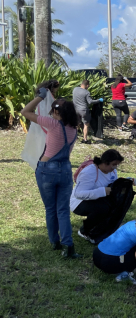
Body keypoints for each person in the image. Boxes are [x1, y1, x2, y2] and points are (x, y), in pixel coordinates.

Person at [21, 92, 81, 258]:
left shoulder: (53, 124)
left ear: (56, 112)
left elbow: (25, 112)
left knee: (50, 209)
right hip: (65, 170)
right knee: (63, 210)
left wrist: (40, 97)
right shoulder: (74, 129)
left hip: (47, 169)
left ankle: (54, 241)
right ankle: (68, 246)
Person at [71, 149, 135, 244]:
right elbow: (79, 194)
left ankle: (103, 230)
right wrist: (101, 191)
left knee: (114, 206)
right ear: (105, 163)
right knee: (102, 208)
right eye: (113, 164)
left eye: (117, 165)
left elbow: (113, 185)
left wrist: (127, 182)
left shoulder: (112, 172)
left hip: (98, 199)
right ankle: (84, 231)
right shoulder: (89, 172)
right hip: (78, 203)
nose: (115, 167)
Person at [73, 79, 103, 144]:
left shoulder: (75, 89)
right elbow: (90, 102)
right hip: (83, 110)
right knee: (86, 125)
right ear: (87, 85)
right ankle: (85, 139)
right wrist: (98, 100)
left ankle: (74, 137)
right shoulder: (86, 92)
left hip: (75, 109)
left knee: (77, 123)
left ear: (81, 84)